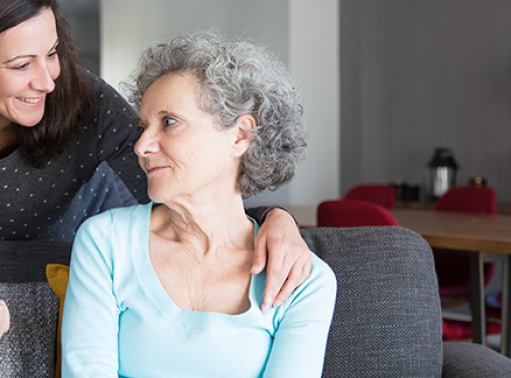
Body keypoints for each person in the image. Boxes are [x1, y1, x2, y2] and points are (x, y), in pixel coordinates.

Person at [0, 0, 312, 348]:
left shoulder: (84, 99)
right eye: (21, 64)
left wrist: (272, 219)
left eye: (52, 53)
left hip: (101, 248)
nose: (47, 80)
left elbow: (192, 186)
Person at [62, 30, 337, 377]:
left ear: (240, 136)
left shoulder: (303, 280)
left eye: (169, 122)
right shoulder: (105, 242)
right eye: (143, 126)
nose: (141, 146)